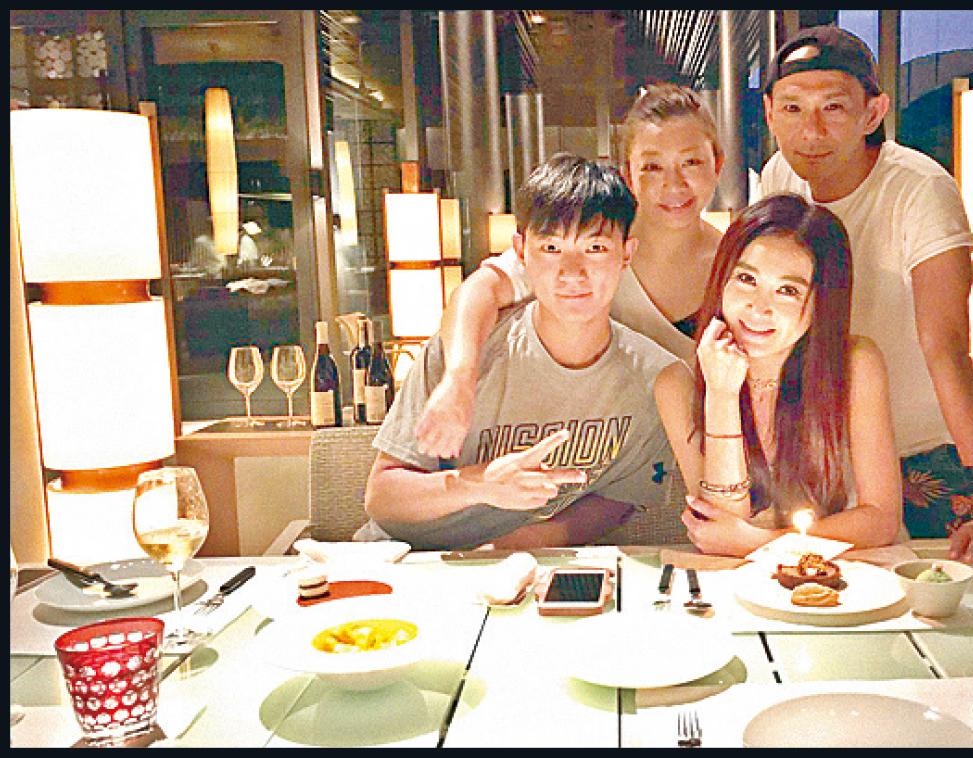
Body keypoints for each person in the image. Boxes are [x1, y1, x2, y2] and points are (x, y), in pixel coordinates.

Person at [759, 26, 973, 563]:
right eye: (793, 108)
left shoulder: (919, 189)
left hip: (920, 449)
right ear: (770, 113)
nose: (812, 131)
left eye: (834, 108)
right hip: (826, 450)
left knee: (947, 594)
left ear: (873, 113)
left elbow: (946, 346)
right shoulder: (780, 176)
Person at [356, 154, 678, 550]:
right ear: (521, 252)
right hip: (408, 560)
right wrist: (480, 484)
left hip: (530, 564)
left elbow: (620, 495)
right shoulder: (467, 348)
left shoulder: (653, 379)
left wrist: (523, 544)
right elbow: (382, 498)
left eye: (595, 247)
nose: (572, 272)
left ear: (626, 253)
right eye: (551, 247)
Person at [414, 83, 724, 458]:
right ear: (628, 174)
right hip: (602, 453)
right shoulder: (591, 246)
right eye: (652, 167)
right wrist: (459, 380)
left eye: (691, 163)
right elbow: (480, 290)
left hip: (700, 456)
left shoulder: (738, 264)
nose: (673, 184)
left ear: (717, 164)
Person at [653, 193, 902, 557]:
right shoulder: (678, 383)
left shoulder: (855, 364)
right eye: (746, 278)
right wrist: (722, 395)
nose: (759, 307)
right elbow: (720, 528)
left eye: (787, 290)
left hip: (845, 572)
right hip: (733, 581)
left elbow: (880, 519)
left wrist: (761, 544)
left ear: (822, 301)